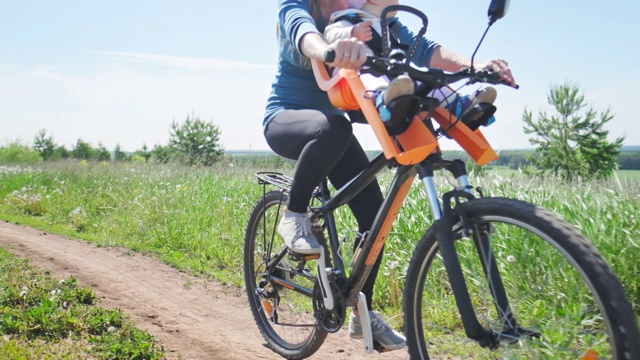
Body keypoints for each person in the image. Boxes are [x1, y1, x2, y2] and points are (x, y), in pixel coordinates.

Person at [263, 0, 515, 351]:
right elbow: (305, 36)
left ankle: (359, 311)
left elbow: (423, 49)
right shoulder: (298, 6)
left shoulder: (363, 8)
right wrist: (333, 49)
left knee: (374, 218)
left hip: (335, 133)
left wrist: (477, 65)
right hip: (288, 120)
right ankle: (294, 215)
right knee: (334, 125)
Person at [325, 0, 501, 127]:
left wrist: (476, 67)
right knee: (371, 77)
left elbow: (422, 49)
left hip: (393, 76)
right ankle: (384, 98)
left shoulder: (388, 26)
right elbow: (330, 35)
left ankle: (460, 107)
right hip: (359, 79)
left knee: (429, 80)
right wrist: (351, 32)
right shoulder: (347, 19)